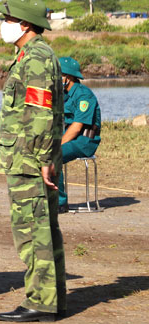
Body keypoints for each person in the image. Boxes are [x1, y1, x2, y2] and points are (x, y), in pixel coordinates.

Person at [0, 0, 67, 322]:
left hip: (28, 162)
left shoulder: (36, 57)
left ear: (24, 23)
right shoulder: (31, 54)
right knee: (43, 229)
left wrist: (40, 158)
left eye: (7, 19)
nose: (2, 25)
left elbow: (39, 114)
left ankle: (41, 300)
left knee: (33, 231)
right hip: (26, 159)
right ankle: (50, 298)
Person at [56, 56, 101, 213]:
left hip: (85, 142)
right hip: (71, 138)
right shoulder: (64, 94)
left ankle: (59, 203)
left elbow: (76, 128)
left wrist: (56, 145)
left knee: (53, 155)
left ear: (67, 77)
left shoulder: (83, 95)